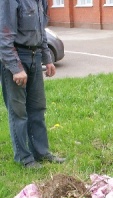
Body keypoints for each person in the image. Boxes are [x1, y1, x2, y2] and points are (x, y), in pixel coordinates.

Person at [0, 0, 65, 169]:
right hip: (16, 56)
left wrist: (47, 58)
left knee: (37, 108)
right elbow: (4, 35)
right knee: (18, 112)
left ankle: (41, 153)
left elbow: (41, 31)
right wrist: (15, 68)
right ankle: (25, 159)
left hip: (35, 56)